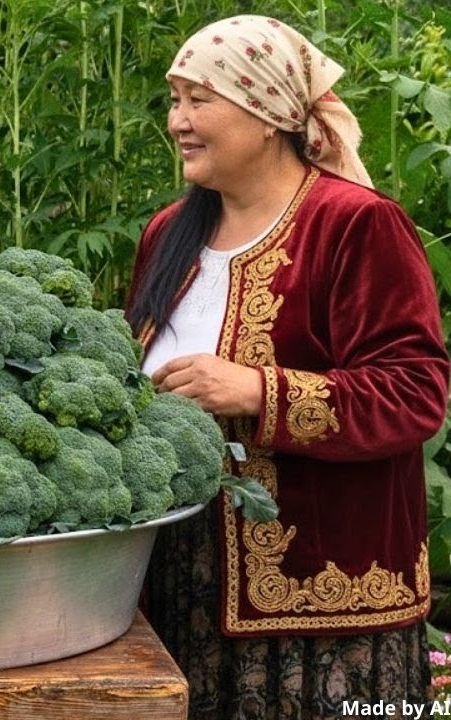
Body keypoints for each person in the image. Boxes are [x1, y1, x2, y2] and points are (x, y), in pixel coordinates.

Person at [125, 15, 451, 719]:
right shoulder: (166, 234)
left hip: (322, 614)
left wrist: (257, 389)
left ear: (267, 111)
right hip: (181, 589)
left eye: (198, 99)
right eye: (173, 101)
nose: (178, 120)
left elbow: (416, 390)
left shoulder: (355, 224)